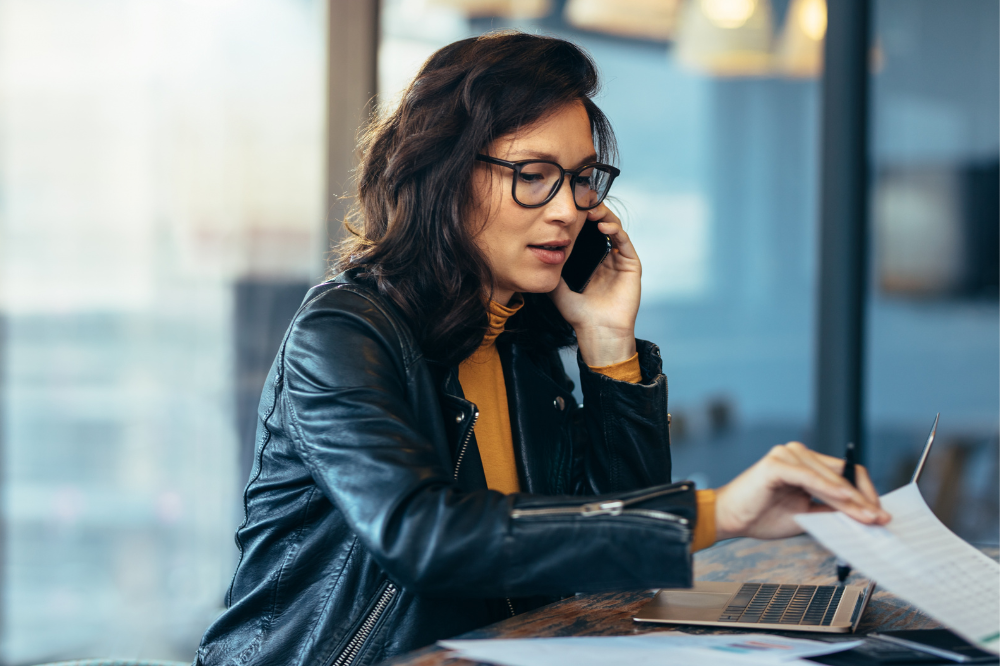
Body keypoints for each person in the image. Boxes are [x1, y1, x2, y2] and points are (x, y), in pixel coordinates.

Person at [194, 31, 889, 666]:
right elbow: (424, 536)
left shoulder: (521, 342)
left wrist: (610, 346)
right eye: (532, 174)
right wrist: (715, 513)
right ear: (445, 174)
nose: (566, 209)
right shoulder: (344, 331)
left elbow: (616, 564)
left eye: (582, 177)